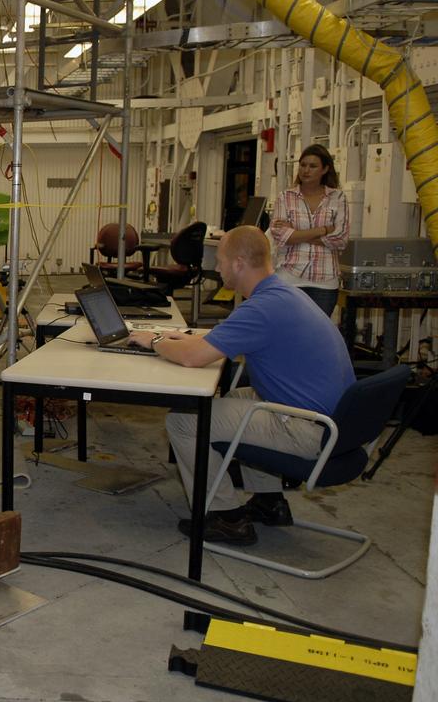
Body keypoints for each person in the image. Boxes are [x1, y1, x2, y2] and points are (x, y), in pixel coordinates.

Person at [129, 226, 355, 546]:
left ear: (237, 263)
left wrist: (153, 341)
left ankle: (225, 518)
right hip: (333, 422)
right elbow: (223, 340)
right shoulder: (283, 294)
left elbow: (194, 359)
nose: (217, 268)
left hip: (310, 430)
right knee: (237, 397)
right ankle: (269, 502)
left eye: (220, 261)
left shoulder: (261, 308)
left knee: (184, 420)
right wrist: (180, 338)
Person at [267, 144, 350, 316]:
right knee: (288, 330)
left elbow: (341, 239)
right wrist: (323, 229)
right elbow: (280, 235)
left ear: (325, 169)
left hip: (325, 280)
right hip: (290, 276)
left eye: (313, 166)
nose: (306, 170)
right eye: (303, 165)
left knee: (316, 334)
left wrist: (296, 234)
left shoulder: (338, 198)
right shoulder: (285, 197)